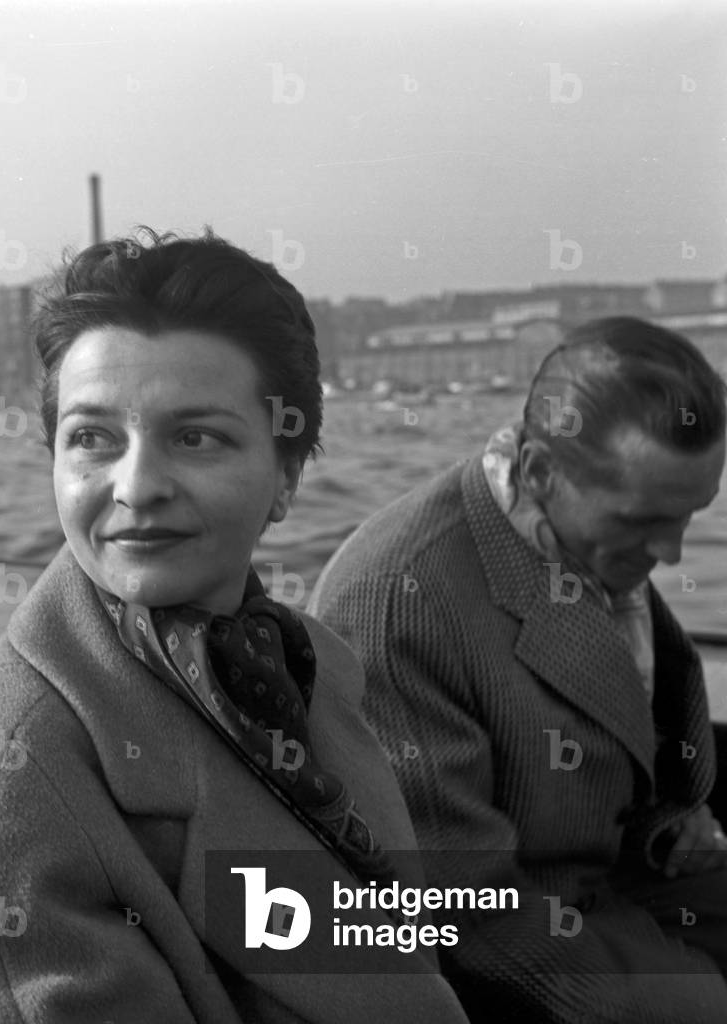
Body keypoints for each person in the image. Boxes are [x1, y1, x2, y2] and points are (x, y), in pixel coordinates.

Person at [0, 228, 469, 1023]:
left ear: (286, 476)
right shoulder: (9, 777)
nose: (136, 486)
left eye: (195, 437)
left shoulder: (303, 668)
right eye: (92, 439)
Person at [309, 316, 727, 1023]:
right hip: (485, 950)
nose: (675, 553)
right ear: (538, 472)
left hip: (615, 877)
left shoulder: (577, 528)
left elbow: (636, 706)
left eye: (692, 516)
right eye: (647, 521)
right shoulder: (398, 605)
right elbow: (461, 914)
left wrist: (673, 819)